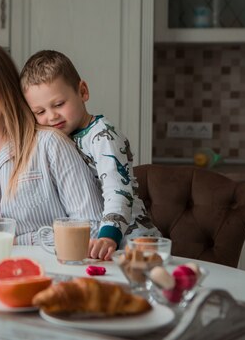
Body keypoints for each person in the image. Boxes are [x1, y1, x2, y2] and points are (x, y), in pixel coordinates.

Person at [0, 39, 106, 250]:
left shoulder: (49, 145)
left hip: (50, 273)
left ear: (6, 83)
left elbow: (91, 227)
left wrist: (14, 240)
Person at [20, 50, 161, 258]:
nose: (51, 116)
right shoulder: (60, 138)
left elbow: (117, 191)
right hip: (98, 244)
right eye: (40, 112)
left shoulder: (103, 137)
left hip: (133, 241)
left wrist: (108, 236)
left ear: (83, 91)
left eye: (59, 104)